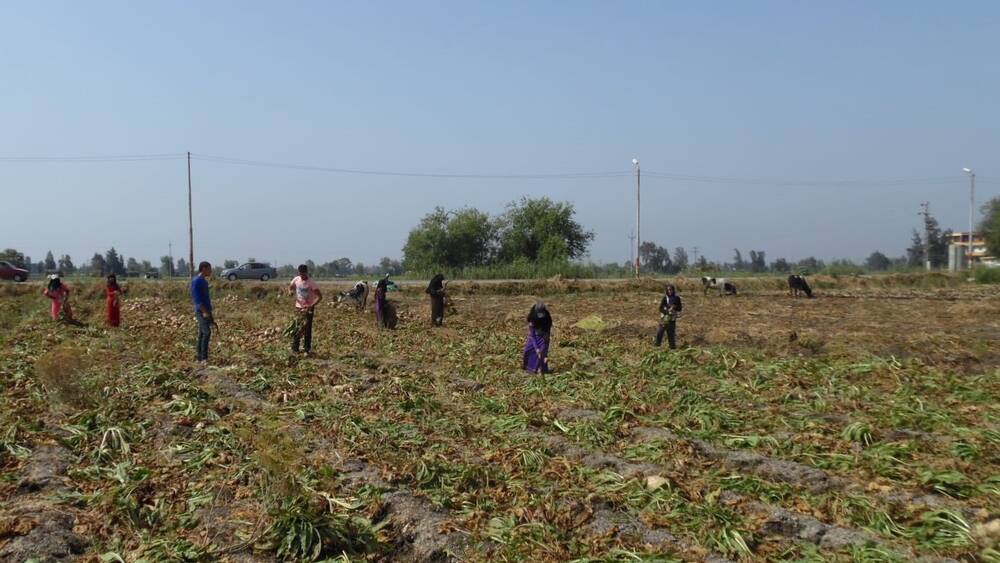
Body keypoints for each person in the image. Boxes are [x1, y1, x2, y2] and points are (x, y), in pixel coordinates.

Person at [288, 264, 322, 355]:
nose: (302, 276)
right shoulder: (296, 279)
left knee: (307, 329)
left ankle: (307, 348)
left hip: (308, 308)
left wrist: (311, 305)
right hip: (298, 307)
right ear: (299, 273)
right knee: (297, 328)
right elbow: (291, 287)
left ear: (307, 272)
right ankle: (295, 348)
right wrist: (290, 292)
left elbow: (319, 297)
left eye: (304, 274)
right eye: (301, 274)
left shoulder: (311, 283)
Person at [190, 261, 214, 364]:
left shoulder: (204, 281)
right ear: (203, 268)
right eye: (209, 269)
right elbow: (197, 299)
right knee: (207, 332)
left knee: (201, 333)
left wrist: (209, 311)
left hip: (206, 310)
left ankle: (199, 358)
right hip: (201, 311)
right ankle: (204, 358)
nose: (210, 271)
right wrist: (204, 312)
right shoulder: (196, 281)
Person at [523, 301, 552, 374]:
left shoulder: (547, 318)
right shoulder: (532, 318)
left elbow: (548, 330)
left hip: (543, 337)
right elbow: (532, 335)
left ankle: (541, 370)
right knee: (527, 351)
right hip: (534, 336)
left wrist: (546, 339)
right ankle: (529, 368)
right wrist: (536, 348)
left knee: (541, 355)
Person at [654, 284, 683, 349]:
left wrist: (675, 307)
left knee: (671, 333)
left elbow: (680, 308)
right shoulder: (665, 298)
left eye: (671, 290)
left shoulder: (677, 298)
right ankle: (657, 345)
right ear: (667, 290)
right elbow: (660, 308)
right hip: (665, 318)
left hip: (672, 319)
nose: (670, 291)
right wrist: (667, 312)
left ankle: (672, 348)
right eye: (668, 290)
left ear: (673, 290)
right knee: (660, 331)